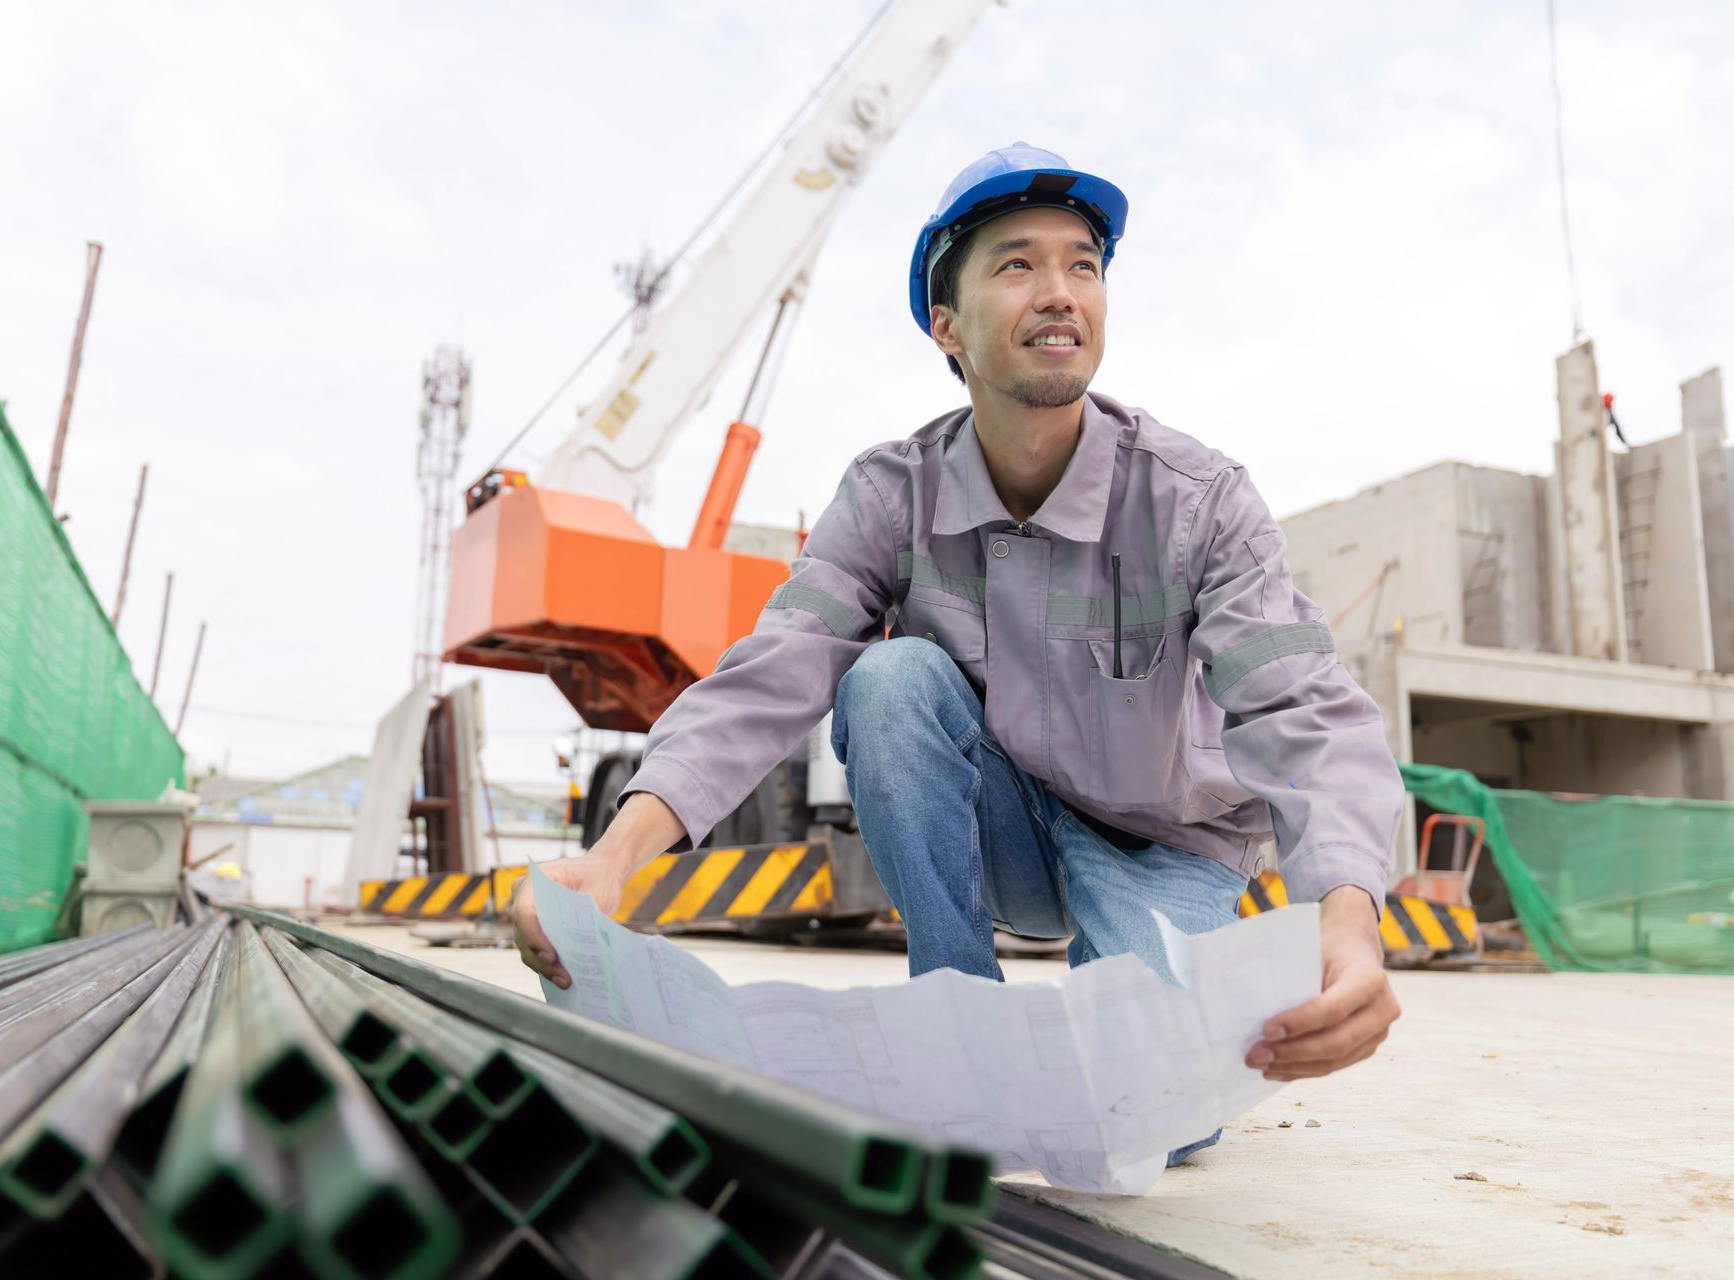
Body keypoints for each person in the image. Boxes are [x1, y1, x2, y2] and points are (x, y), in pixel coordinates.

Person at [511, 143, 1404, 1166]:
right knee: (889, 678)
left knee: (1160, 1111)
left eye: (1084, 265)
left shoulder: (1199, 500)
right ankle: (954, 1016)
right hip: (1010, 822)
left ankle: (1139, 1035)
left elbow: (1305, 707)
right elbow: (777, 666)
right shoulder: (893, 495)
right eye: (1017, 264)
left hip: (1165, 842)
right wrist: (613, 857)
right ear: (948, 324)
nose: (1061, 292)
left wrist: (1347, 915)